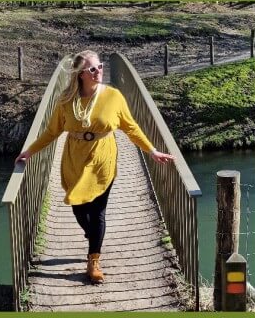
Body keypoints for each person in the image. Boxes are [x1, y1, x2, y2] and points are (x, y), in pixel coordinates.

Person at [16, 50, 174, 284]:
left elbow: (131, 128)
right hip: (74, 158)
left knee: (98, 212)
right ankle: (93, 236)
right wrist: (29, 151)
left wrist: (152, 151)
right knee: (79, 208)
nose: (98, 71)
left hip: (103, 157)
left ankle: (94, 260)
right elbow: (52, 132)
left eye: (100, 66)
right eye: (92, 69)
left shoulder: (113, 96)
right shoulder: (66, 100)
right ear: (81, 74)